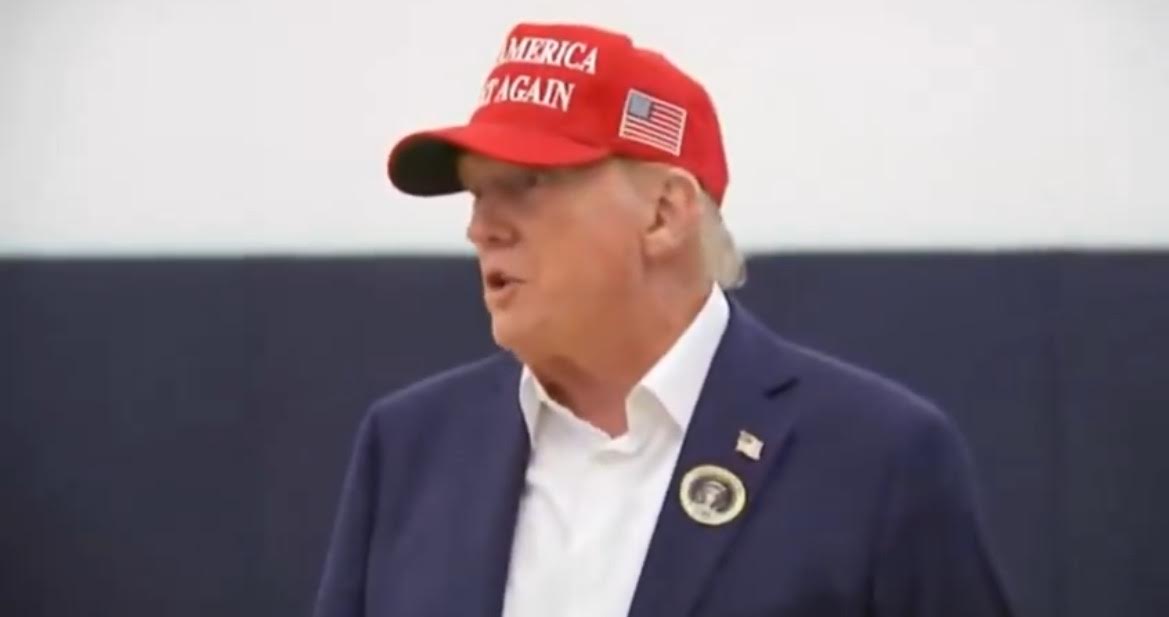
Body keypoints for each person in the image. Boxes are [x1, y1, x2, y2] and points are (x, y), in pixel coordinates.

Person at [313, 21, 1016, 617]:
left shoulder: (877, 456)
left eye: (527, 184)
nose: (481, 228)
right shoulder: (409, 446)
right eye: (475, 194)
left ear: (664, 214)